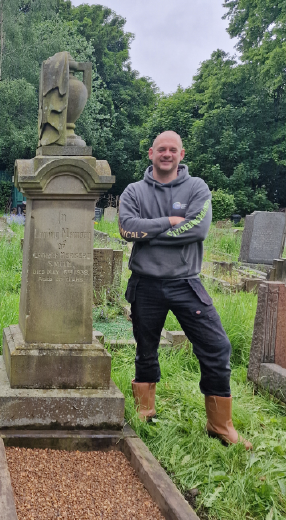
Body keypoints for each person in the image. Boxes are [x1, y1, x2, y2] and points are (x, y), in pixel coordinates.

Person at [118, 131, 252, 450]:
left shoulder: (196, 187)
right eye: (161, 149)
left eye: (172, 150)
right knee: (146, 349)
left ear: (181, 154)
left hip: (185, 282)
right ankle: (145, 411)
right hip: (145, 283)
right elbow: (126, 228)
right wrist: (169, 221)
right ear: (151, 153)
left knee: (217, 345)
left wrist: (149, 230)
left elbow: (199, 228)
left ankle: (219, 425)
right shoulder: (134, 191)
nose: (166, 154)